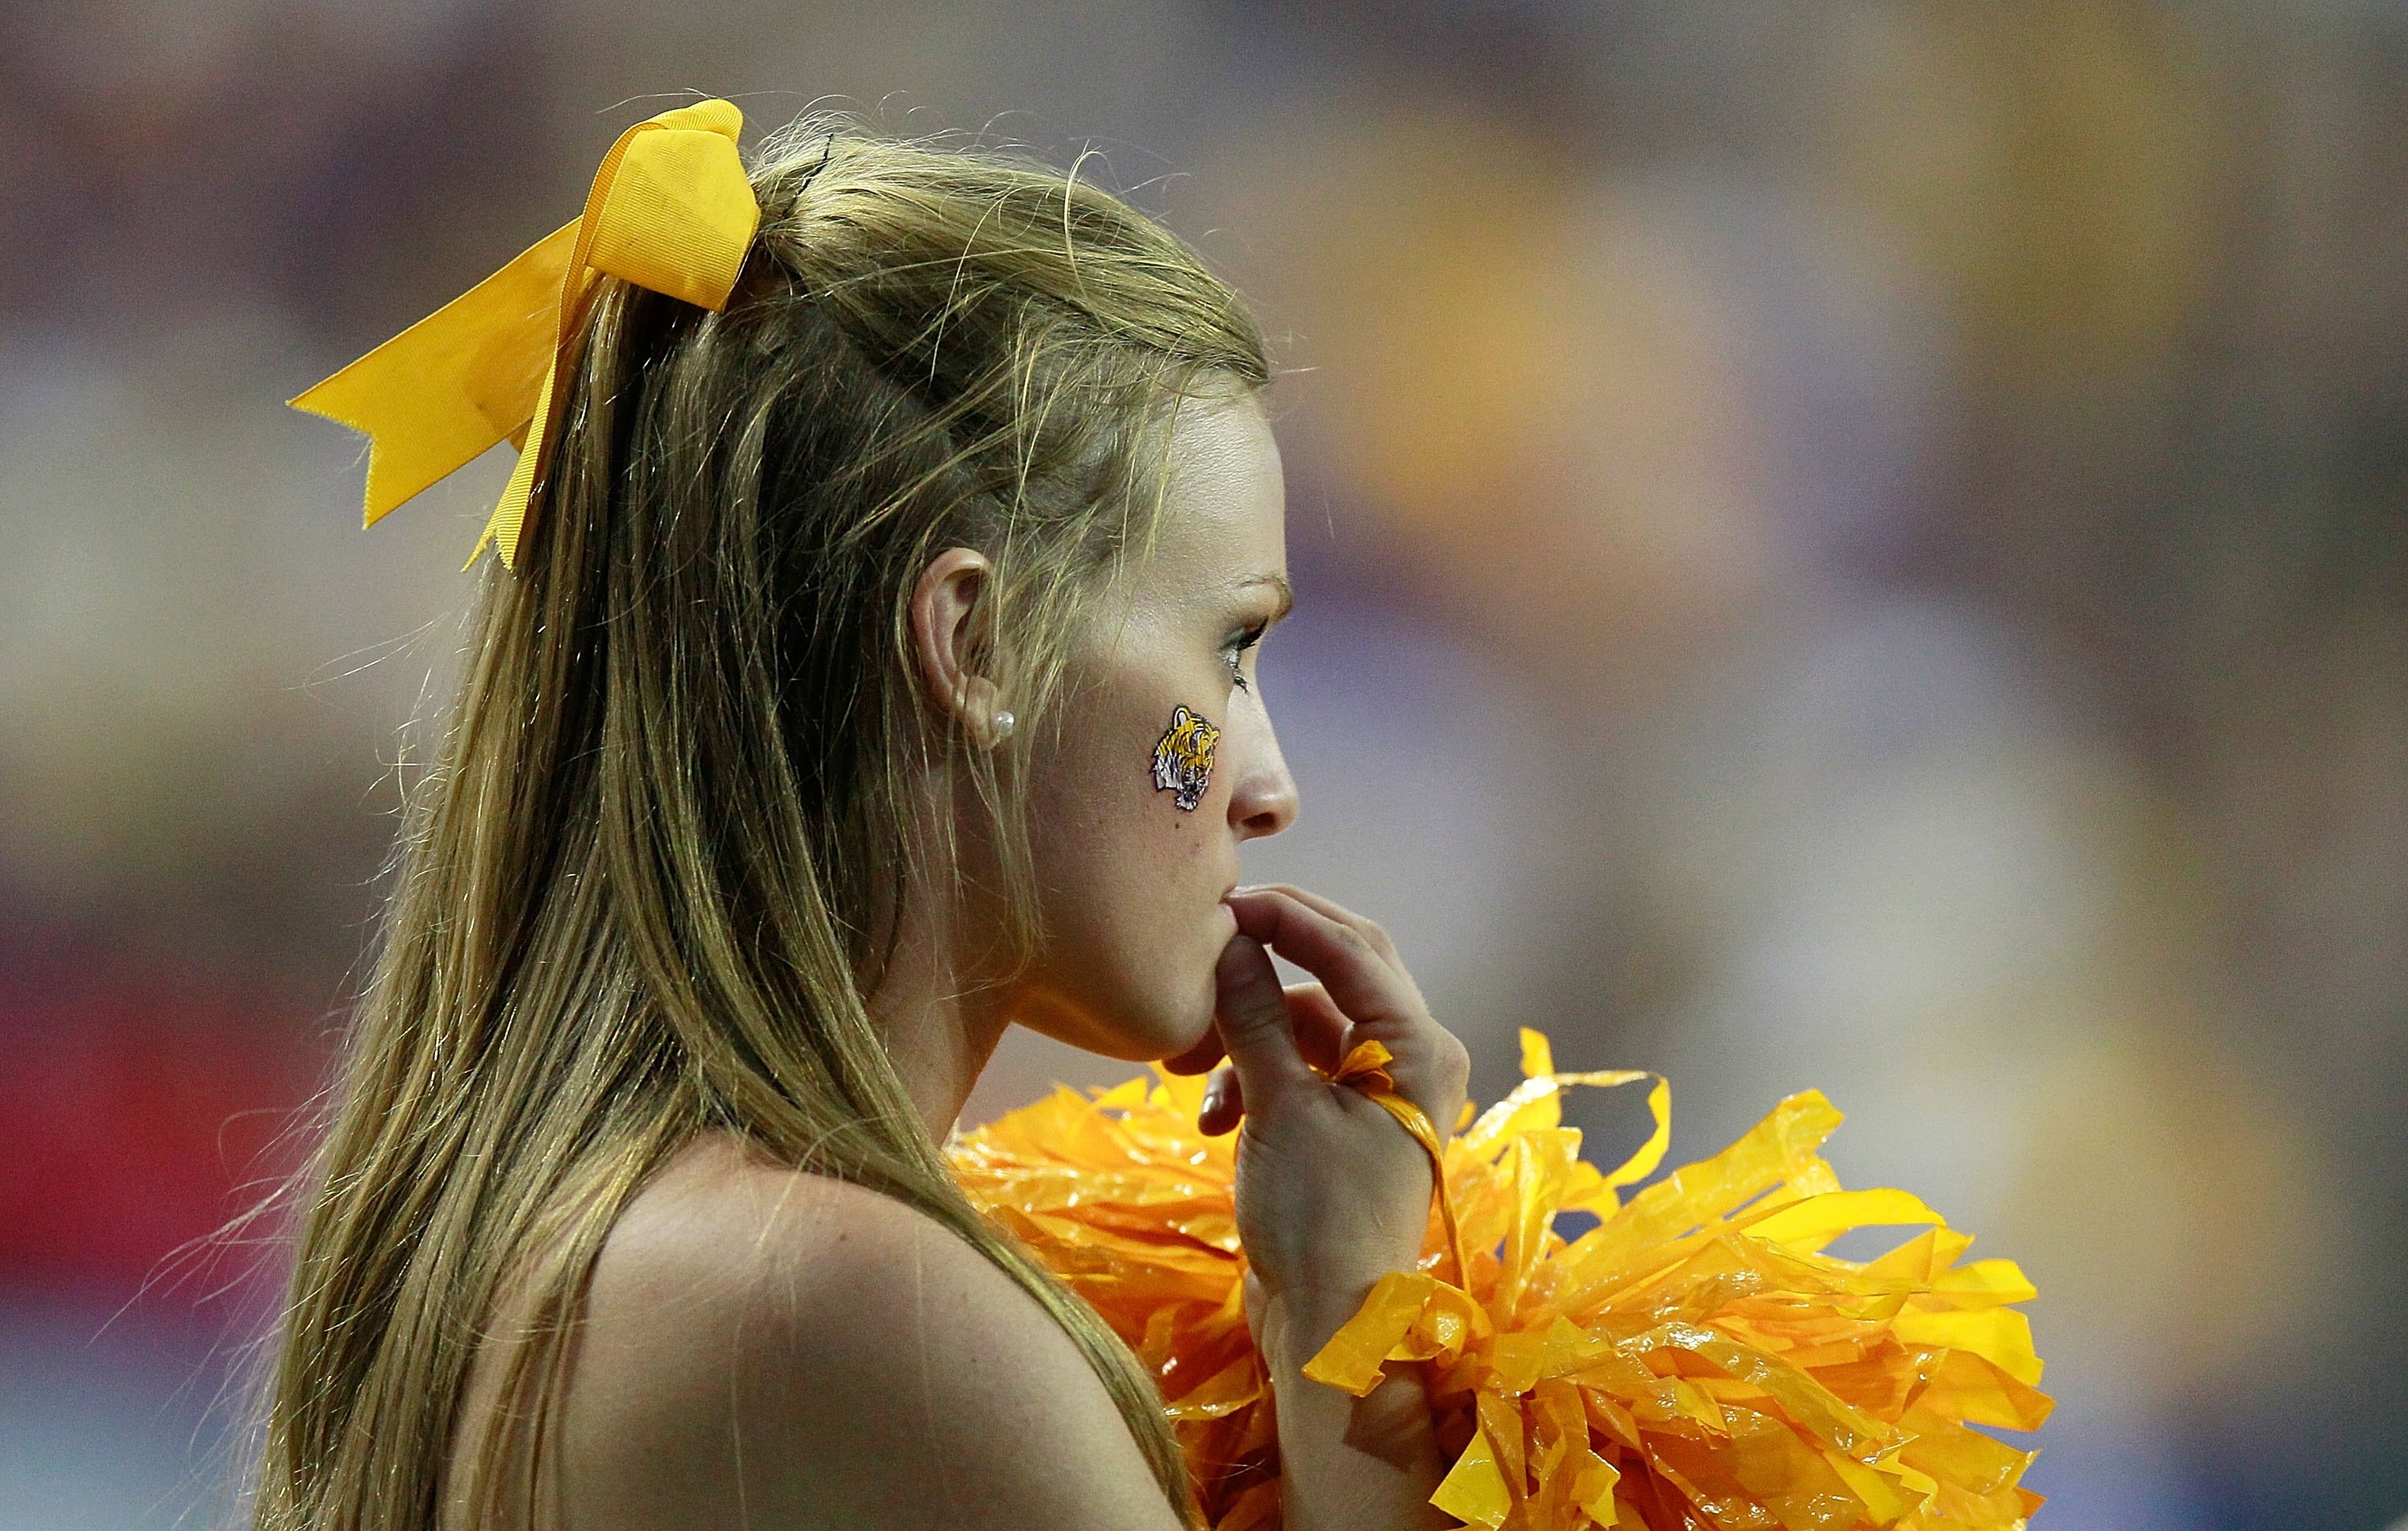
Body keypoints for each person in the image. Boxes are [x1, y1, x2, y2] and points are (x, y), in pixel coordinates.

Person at [254, 101, 1470, 1531]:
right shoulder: (844, 1303)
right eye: (1231, 645)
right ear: (973, 644)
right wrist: (1350, 1345)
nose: (1271, 788)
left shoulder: (610, 1234)